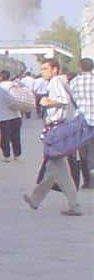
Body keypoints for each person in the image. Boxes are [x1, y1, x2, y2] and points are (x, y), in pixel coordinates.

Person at [23, 58, 82, 216]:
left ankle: (73, 205)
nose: (42, 72)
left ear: (54, 69)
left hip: (57, 129)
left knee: (57, 166)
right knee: (56, 168)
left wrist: (46, 101)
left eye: (45, 69)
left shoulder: (56, 82)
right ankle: (37, 199)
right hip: (60, 128)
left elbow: (62, 101)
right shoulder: (60, 82)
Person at [69, 58, 94, 189]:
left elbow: (72, 100)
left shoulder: (74, 82)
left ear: (79, 67)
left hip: (82, 121)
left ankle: (88, 180)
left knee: (83, 153)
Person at [0, 70, 23, 161]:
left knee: (5, 137)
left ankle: (6, 155)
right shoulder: (15, 85)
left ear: (1, 77)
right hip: (16, 114)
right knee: (16, 136)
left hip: (4, 116)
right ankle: (17, 154)